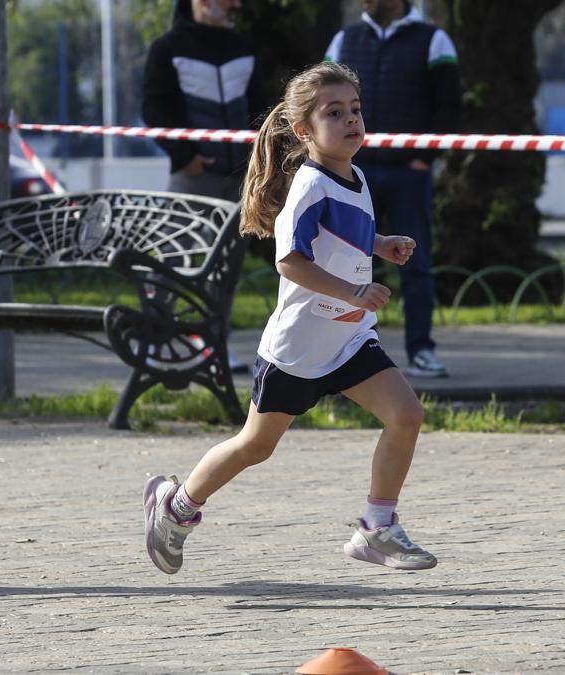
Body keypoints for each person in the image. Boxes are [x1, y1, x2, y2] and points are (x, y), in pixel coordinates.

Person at [142, 62, 437, 575]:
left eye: (355, 110)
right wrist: (354, 289)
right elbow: (290, 260)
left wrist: (380, 244)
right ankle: (177, 506)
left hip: (347, 339)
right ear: (304, 130)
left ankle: (376, 528)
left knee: (406, 415)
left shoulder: (356, 176)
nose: (351, 120)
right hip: (297, 350)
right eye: (334, 112)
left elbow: (344, 233)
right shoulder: (307, 187)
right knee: (255, 446)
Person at [325, 0, 461, 378]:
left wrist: (424, 159)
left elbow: (449, 107)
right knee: (348, 263)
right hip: (353, 174)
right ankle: (344, 354)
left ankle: (420, 350)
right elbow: (320, 101)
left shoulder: (434, 40)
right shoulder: (343, 41)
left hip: (409, 176)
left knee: (415, 263)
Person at [142, 0, 265, 374]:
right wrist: (185, 157)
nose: (234, 5)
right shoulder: (167, 48)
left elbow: (260, 109)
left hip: (238, 179)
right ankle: (154, 341)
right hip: (191, 175)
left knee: (226, 267)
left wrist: (255, 161)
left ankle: (214, 346)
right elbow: (154, 110)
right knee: (170, 259)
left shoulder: (244, 47)